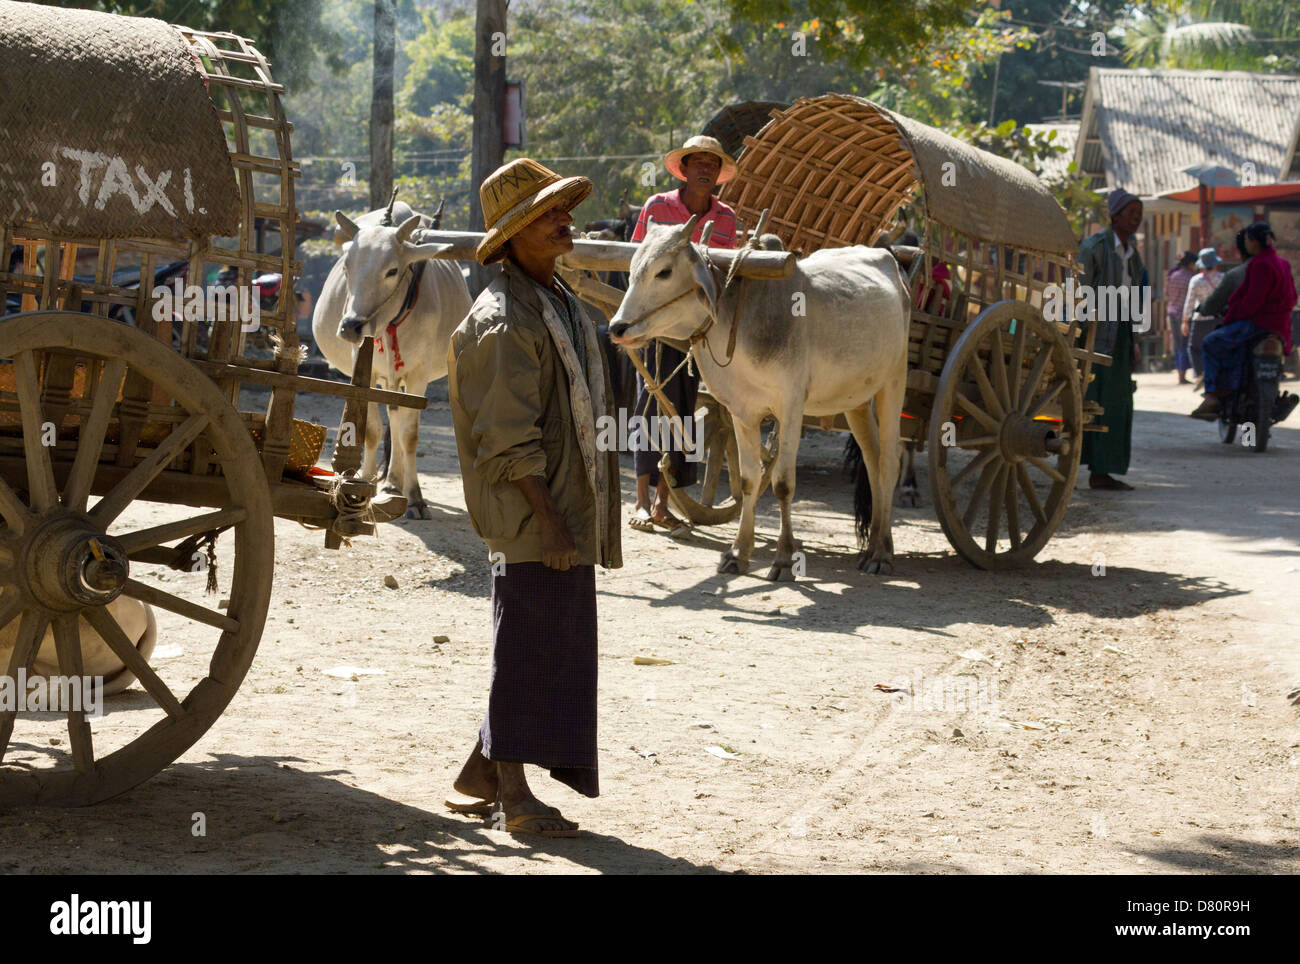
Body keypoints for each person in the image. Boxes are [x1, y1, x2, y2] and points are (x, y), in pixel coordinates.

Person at [445, 158, 623, 837]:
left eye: (561, 209)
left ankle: (480, 771)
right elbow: (508, 436)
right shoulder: (502, 319)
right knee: (526, 643)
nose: (563, 219)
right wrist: (549, 523)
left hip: (563, 509)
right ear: (511, 237)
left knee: (548, 639)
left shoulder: (558, 304)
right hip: (531, 514)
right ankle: (513, 796)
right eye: (544, 214)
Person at [626, 135, 739, 536]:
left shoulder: (726, 219)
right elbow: (638, 264)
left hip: (696, 333)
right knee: (650, 402)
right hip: (656, 323)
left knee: (684, 411)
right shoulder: (657, 207)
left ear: (719, 174)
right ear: (685, 169)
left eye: (713, 163)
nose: (705, 169)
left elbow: (726, 277)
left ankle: (662, 504)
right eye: (698, 163)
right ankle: (640, 502)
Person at [1190, 221, 1297, 419]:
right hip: (1280, 326)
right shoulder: (1283, 264)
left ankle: (1213, 395)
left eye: (1248, 239)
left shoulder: (1258, 264)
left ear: (1254, 242)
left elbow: (1250, 301)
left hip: (1256, 324)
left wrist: (1231, 316)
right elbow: (1292, 297)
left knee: (1211, 342)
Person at [1077, 188, 1145, 491]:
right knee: (1092, 401)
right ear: (1115, 215)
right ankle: (1088, 468)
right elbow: (1079, 290)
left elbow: (1136, 299)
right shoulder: (1094, 247)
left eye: (1139, 215)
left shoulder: (1133, 255)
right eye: (1131, 214)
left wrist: (1135, 340)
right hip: (1095, 335)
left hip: (1120, 337)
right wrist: (1079, 334)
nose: (1136, 220)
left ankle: (1104, 471)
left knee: (1117, 405)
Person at [1182, 246, 1223, 384]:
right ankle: (1218, 373)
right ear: (1215, 263)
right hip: (1219, 319)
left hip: (1200, 320)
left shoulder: (1196, 280)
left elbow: (1190, 301)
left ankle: (1200, 374)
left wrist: (1185, 321)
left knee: (1194, 348)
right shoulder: (1223, 278)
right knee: (1219, 347)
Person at [1165, 250, 1197, 384]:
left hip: (1172, 312)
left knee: (1178, 344)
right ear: (1190, 263)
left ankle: (1180, 374)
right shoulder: (1191, 277)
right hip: (1185, 315)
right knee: (1185, 344)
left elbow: (1166, 293)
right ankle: (1184, 375)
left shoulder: (1172, 275)